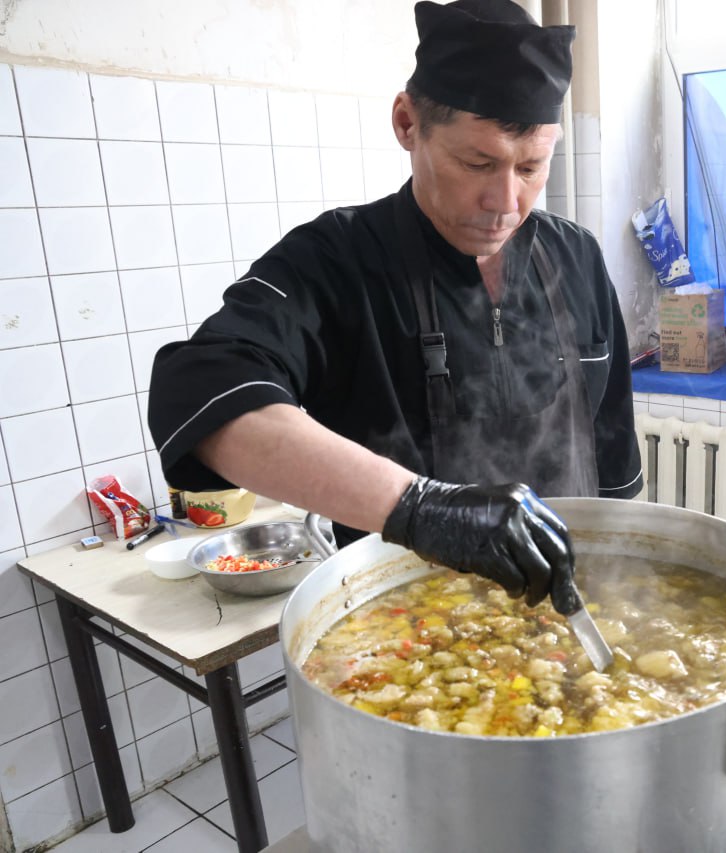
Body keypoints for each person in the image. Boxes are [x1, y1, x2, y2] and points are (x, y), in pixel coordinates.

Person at [148, 0, 643, 615]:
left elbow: (612, 448)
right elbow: (198, 390)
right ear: (408, 124)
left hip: (569, 599)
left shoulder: (577, 256)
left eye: (531, 167)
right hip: (404, 623)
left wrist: (625, 585)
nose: (505, 202)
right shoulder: (334, 261)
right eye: (478, 163)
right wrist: (420, 508)